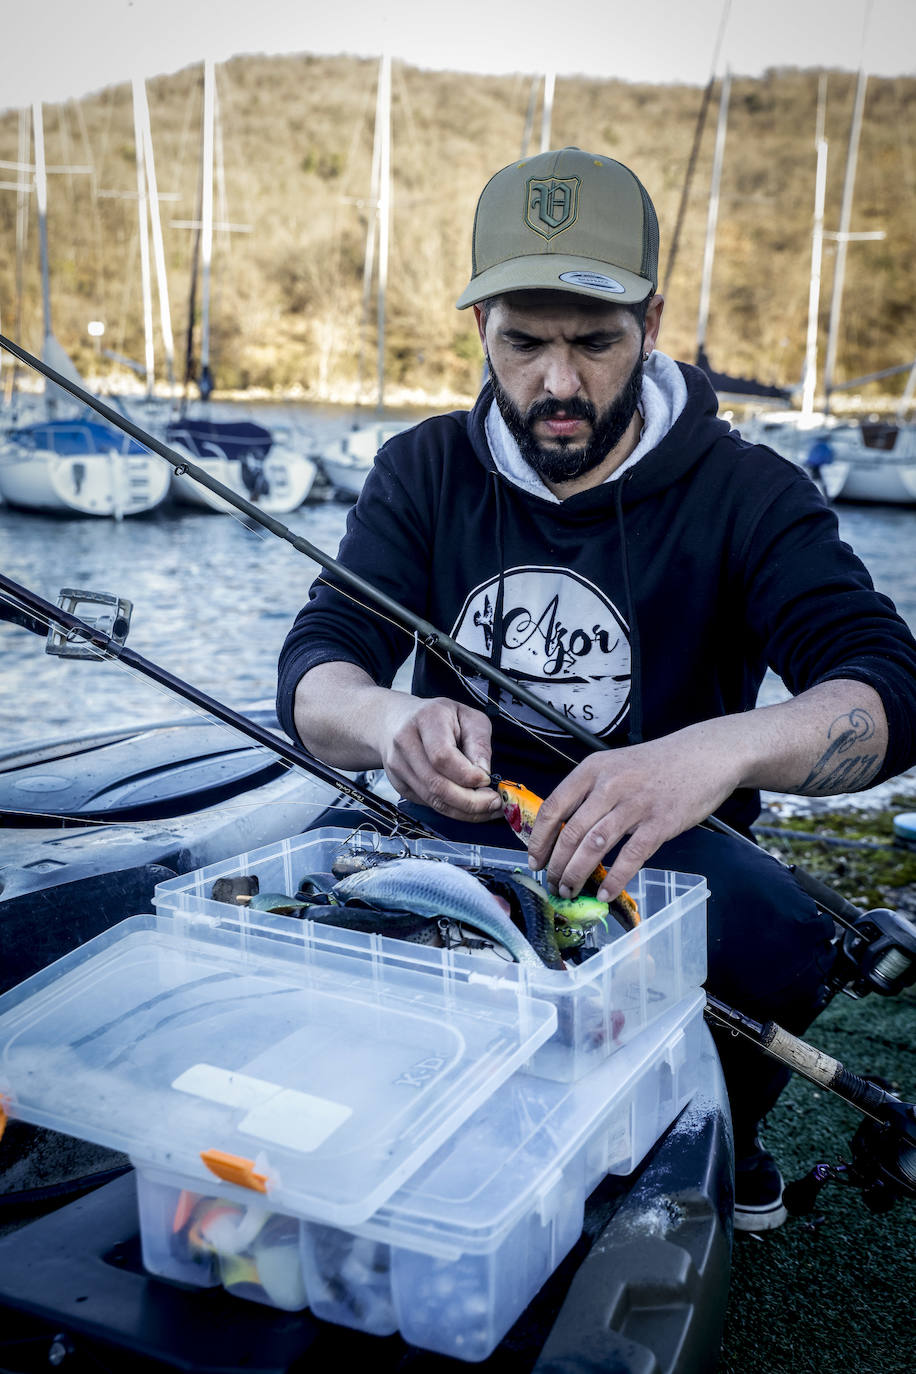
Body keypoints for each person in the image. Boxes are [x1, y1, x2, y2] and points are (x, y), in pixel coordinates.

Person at [278, 147, 916, 1232]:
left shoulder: (751, 493)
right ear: (478, 326)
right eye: (524, 343)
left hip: (653, 864)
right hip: (451, 835)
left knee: (774, 926)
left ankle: (721, 1134)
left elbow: (886, 685)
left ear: (652, 323)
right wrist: (392, 720)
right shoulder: (423, 469)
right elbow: (313, 675)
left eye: (593, 342)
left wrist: (714, 752)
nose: (557, 383)